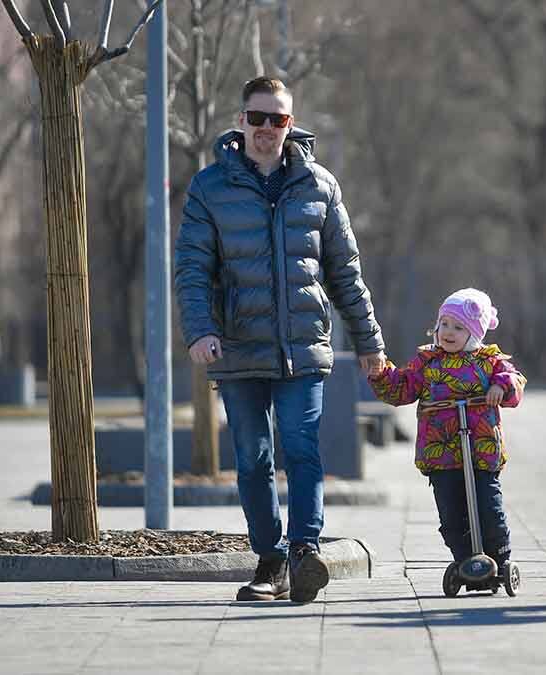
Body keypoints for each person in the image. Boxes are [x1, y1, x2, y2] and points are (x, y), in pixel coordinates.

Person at [174, 76, 386, 603]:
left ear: (291, 124)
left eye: (279, 118)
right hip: (238, 348)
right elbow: (193, 269)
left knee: (302, 446)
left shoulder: (320, 185)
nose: (267, 128)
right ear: (241, 121)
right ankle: (270, 561)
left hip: (302, 346)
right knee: (252, 457)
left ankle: (304, 551)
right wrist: (200, 330)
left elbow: (346, 273)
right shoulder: (209, 188)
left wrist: (369, 342)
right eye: (258, 117)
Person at [368, 289, 526, 583]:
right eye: (444, 324)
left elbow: (514, 380)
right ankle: (464, 560)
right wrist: (380, 373)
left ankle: (499, 558)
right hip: (440, 452)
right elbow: (402, 388)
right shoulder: (428, 362)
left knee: (489, 507)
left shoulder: (489, 361)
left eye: (458, 327)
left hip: (481, 449)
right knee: (450, 514)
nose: (449, 332)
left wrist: (500, 387)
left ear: (475, 333)